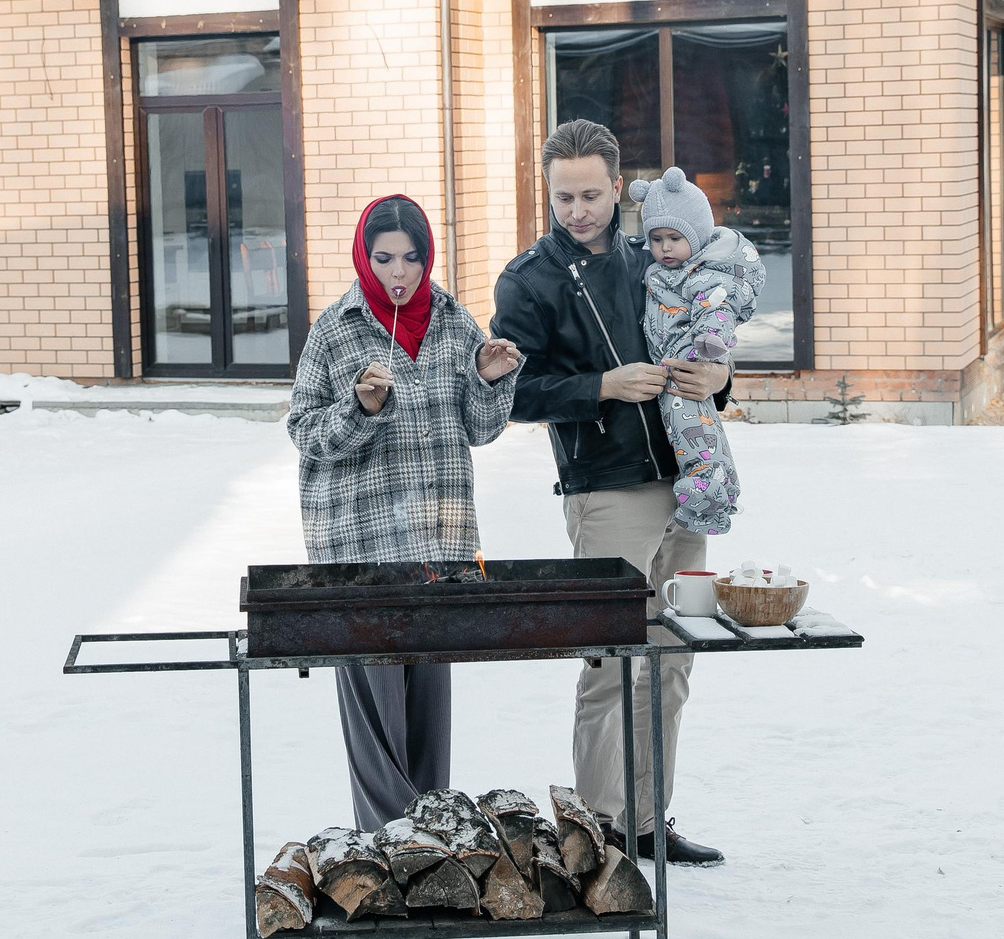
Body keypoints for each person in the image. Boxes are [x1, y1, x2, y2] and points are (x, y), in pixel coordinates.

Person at [493, 121, 729, 865]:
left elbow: (704, 341)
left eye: (591, 194)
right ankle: (597, 834)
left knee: (675, 654)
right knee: (609, 663)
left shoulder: (656, 260)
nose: (578, 210)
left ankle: (648, 823)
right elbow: (512, 393)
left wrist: (721, 380)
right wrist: (602, 386)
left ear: (618, 188)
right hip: (605, 491)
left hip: (688, 487)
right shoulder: (525, 279)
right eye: (564, 196)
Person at [286, 194, 522, 829]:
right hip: (361, 551)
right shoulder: (336, 329)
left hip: (439, 548)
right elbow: (305, 434)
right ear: (364, 257)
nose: (399, 272)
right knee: (375, 707)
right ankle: (389, 842)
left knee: (428, 711)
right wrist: (358, 410)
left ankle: (434, 838)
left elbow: (479, 428)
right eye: (384, 257)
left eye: (411, 258)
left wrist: (490, 379)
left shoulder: (452, 322)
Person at [627, 166, 763, 536]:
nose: (664, 248)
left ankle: (709, 489)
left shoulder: (705, 273)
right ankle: (714, 484)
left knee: (691, 426)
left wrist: (709, 343)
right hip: (667, 365)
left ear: (697, 235)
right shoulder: (660, 270)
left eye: (674, 238)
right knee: (696, 429)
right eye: (656, 239)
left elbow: (717, 310)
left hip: (688, 363)